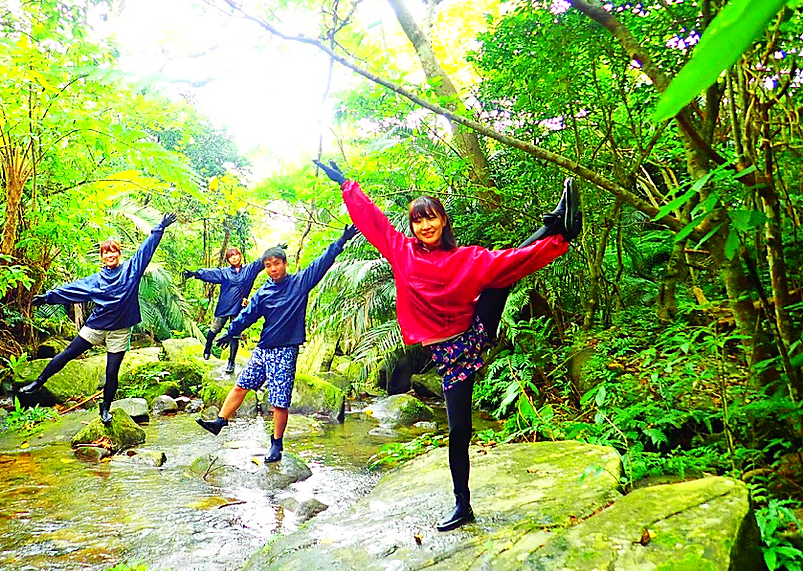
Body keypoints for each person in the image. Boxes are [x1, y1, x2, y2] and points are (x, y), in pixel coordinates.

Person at [314, 159, 580, 531]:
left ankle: (560, 228)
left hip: (474, 331)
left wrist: (558, 245)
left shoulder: (464, 258)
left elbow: (514, 261)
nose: (425, 225)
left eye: (431, 218)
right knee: (459, 430)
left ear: (443, 221)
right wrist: (346, 184)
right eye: (418, 220)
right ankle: (463, 504)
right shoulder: (402, 253)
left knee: (503, 269)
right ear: (412, 227)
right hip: (447, 353)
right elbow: (372, 221)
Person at [196, 226, 359, 462]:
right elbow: (247, 316)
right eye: (268, 265)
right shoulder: (263, 292)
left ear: (285, 264)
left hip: (285, 351)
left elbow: (321, 263)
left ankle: (276, 444)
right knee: (241, 385)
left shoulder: (300, 283)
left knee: (279, 401)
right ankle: (219, 421)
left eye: (277, 264)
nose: (273, 269)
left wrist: (341, 241)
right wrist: (229, 332)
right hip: (263, 349)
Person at [19, 213, 179, 423]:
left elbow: (145, 250)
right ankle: (37, 383)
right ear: (102, 257)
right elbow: (72, 290)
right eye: (106, 253)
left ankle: (105, 408)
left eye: (113, 251)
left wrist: (159, 227)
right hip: (96, 326)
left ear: (118, 254)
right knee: (67, 354)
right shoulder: (96, 280)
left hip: (120, 330)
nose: (109, 255)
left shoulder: (131, 270)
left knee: (111, 372)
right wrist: (49, 298)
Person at [181, 245, 274, 375]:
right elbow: (210, 273)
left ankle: (231, 362)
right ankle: (207, 348)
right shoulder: (224, 272)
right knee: (215, 329)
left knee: (235, 334)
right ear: (228, 260)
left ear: (240, 255)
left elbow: (261, 261)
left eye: (235, 255)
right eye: (231, 257)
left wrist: (274, 250)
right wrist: (195, 273)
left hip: (238, 307)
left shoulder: (249, 270)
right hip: (224, 305)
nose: (234, 258)